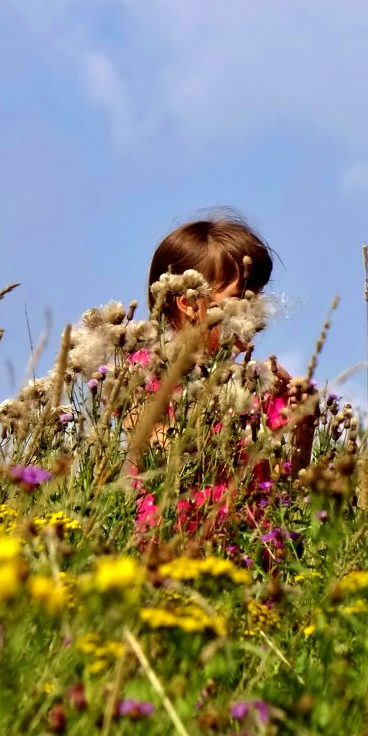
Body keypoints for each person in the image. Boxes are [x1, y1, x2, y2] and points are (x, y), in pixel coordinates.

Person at [128, 209, 315, 540]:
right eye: (240, 298)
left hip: (249, 554)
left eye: (258, 297)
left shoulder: (259, 387)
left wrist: (304, 424)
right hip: (172, 546)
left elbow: (286, 486)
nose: (256, 310)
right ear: (189, 301)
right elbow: (155, 452)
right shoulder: (147, 371)